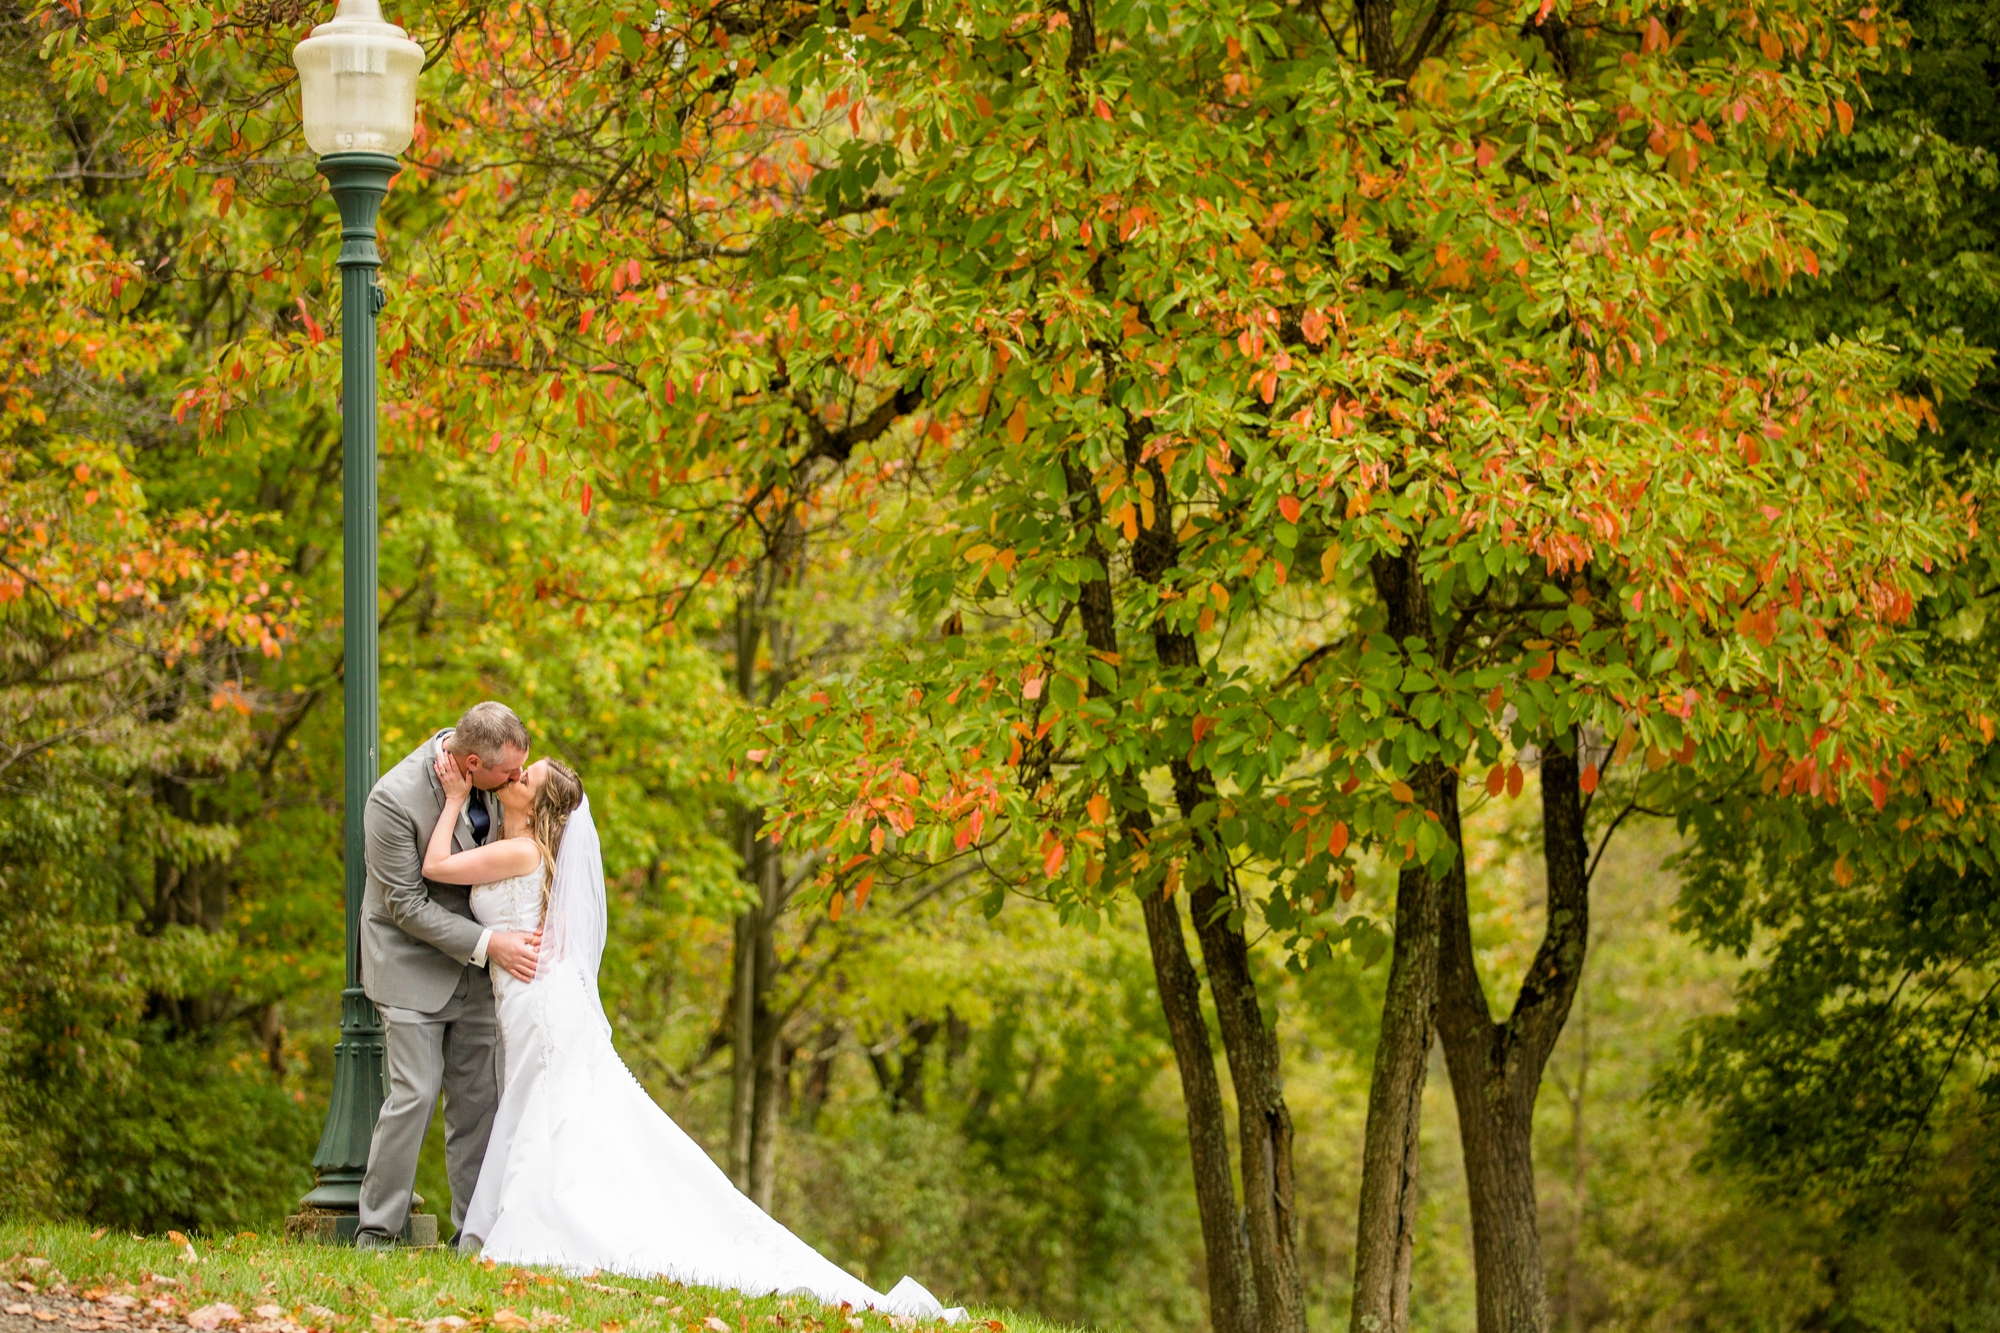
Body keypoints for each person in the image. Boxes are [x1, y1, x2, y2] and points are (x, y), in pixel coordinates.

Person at [420, 753, 963, 1321]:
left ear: (538, 808)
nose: (514, 776)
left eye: (525, 777)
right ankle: (543, 1219)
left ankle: (532, 1230)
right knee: (557, 1111)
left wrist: (455, 796)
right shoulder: (516, 839)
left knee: (547, 1111)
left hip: (542, 1004)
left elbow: (435, 866)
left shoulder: (523, 850)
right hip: (533, 997)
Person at [356, 701, 543, 1250]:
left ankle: (474, 1236)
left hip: (483, 972)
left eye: (520, 768)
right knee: (413, 1096)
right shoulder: (393, 799)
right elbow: (405, 905)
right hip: (411, 964)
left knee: (477, 1103)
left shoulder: (499, 780)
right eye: (506, 773)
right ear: (467, 761)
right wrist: (491, 944)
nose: (517, 780)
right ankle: (377, 1233)